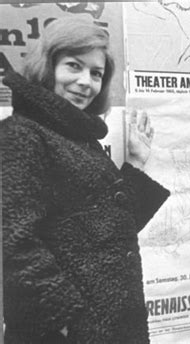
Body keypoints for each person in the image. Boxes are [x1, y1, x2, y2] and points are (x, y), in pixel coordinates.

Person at [1, 17, 170, 343]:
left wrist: (135, 162)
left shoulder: (74, 134)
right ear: (47, 67)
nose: (85, 82)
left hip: (105, 324)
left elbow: (107, 227)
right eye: (73, 66)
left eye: (96, 73)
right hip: (68, 332)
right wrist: (68, 320)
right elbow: (13, 243)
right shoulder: (23, 134)